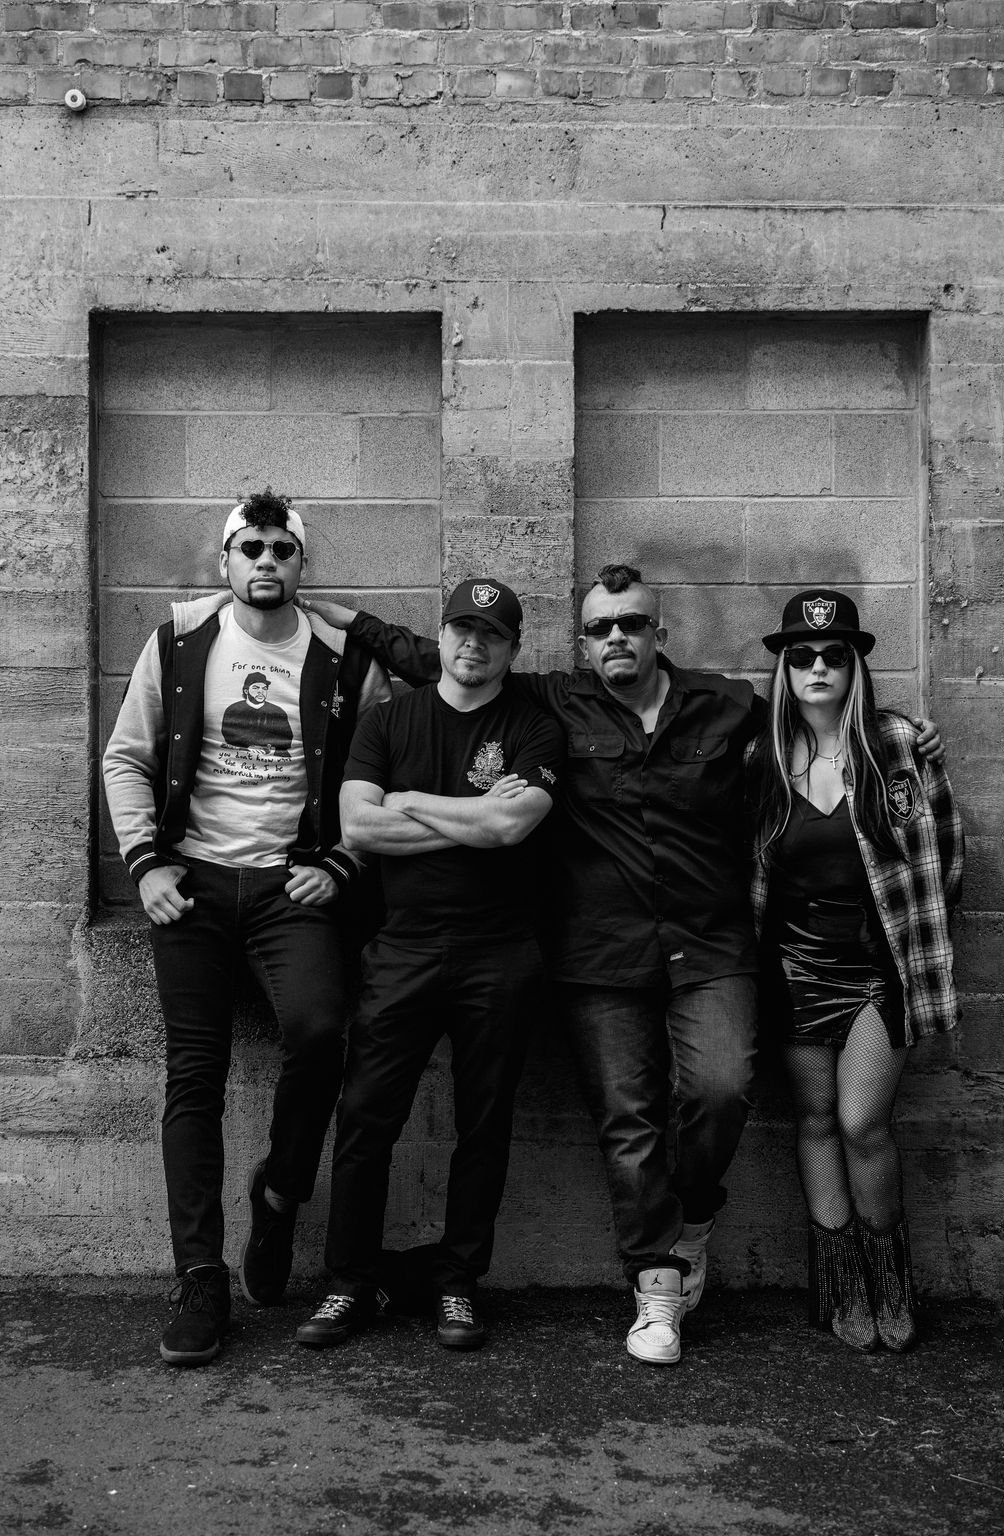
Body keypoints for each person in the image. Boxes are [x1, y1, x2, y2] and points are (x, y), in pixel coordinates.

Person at [308, 565, 943, 1367]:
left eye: (631, 624)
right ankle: (655, 1285)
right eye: (601, 628)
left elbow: (813, 715)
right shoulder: (552, 700)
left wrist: (898, 732)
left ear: (658, 634)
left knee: (720, 1090)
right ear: (581, 643)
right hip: (598, 956)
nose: (616, 638)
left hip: (709, 947)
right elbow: (445, 658)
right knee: (628, 1122)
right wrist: (339, 616)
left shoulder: (723, 704)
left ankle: (693, 1218)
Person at [102, 489, 391, 1368]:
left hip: (286, 888)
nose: (265, 562)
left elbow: (378, 777)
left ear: (301, 563)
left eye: (281, 550)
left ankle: (279, 1194)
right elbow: (126, 756)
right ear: (224, 560)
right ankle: (200, 1277)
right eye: (250, 548)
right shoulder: (179, 642)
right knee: (193, 1074)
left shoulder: (344, 660)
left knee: (320, 1030)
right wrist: (145, 862)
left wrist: (339, 863)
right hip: (190, 884)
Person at [296, 578, 565, 1353]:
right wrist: (471, 817)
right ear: (440, 637)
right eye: (461, 629)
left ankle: (456, 1282)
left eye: (491, 634)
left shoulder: (534, 727)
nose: (473, 644)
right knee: (364, 1118)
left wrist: (408, 801)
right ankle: (349, 1283)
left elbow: (512, 827)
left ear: (512, 649)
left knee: (484, 1124)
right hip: (404, 947)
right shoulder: (389, 719)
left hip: (500, 953)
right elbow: (358, 827)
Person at [745, 590, 963, 1352]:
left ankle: (890, 1282)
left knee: (860, 1122)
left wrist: (915, 930)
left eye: (833, 655)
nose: (817, 667)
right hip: (793, 972)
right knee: (811, 1119)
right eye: (801, 656)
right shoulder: (761, 761)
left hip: (878, 971)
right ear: (782, 669)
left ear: (854, 667)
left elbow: (946, 853)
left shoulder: (897, 745)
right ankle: (840, 1288)